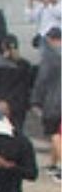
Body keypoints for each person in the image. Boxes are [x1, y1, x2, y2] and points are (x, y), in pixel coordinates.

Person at [35, 26, 62, 180]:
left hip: (54, 102)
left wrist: (36, 99)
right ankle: (53, 164)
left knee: (54, 133)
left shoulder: (50, 56)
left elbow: (42, 80)